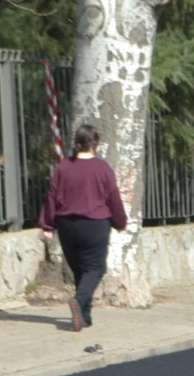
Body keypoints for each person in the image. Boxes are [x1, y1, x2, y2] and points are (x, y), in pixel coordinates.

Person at [38, 124, 128, 332]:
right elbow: (113, 198)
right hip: (94, 224)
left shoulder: (64, 167)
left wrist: (47, 224)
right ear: (95, 143)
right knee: (95, 268)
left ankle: (84, 316)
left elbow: (52, 196)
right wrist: (120, 222)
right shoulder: (102, 168)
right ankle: (79, 302)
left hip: (66, 225)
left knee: (80, 269)